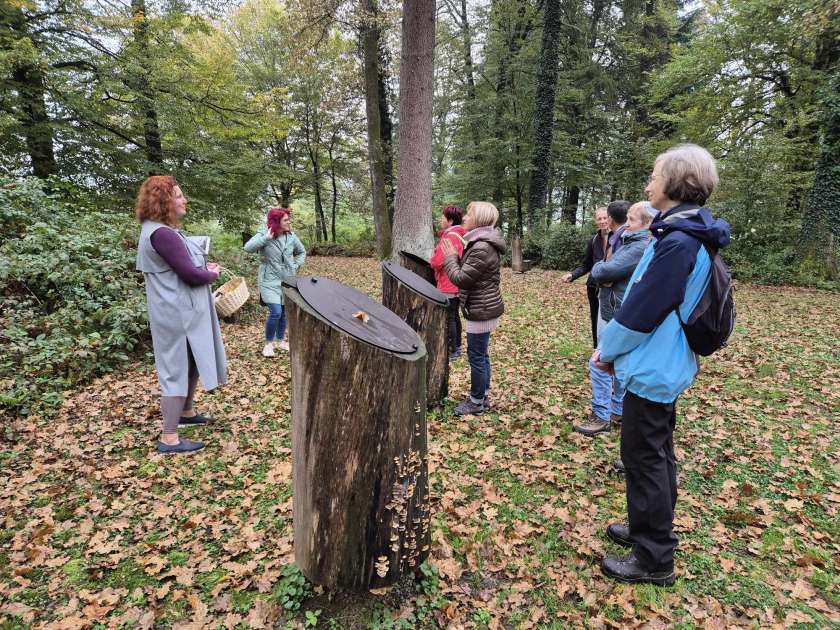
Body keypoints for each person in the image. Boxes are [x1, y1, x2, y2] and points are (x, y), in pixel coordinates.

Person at [596, 144, 730, 586]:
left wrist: (607, 350)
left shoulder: (679, 242)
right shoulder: (682, 234)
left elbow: (640, 310)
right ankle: (644, 529)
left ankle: (654, 558)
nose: (648, 183)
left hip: (655, 367)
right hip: (660, 363)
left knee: (645, 458)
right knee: (653, 454)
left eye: (654, 175)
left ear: (676, 182)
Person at [135, 176, 227, 454]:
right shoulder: (161, 233)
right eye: (178, 196)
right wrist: (211, 274)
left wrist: (202, 268)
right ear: (163, 202)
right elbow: (189, 275)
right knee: (175, 369)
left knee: (192, 361)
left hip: (181, 312)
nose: (184, 200)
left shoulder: (160, 230)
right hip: (176, 315)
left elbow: (181, 265)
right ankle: (170, 437)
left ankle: (186, 412)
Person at [574, 201, 655, 436]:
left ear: (647, 224)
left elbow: (602, 271)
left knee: (599, 362)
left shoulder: (638, 247)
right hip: (616, 309)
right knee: (616, 363)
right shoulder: (628, 242)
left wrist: (602, 267)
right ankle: (617, 409)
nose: (624, 224)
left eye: (631, 220)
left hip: (621, 313)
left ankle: (601, 417)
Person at [440, 201, 506, 416]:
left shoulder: (481, 247)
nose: (465, 218)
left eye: (469, 214)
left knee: (476, 355)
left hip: (481, 308)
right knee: (481, 354)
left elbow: (461, 278)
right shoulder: (480, 242)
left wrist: (450, 257)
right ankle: (482, 395)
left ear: (479, 220)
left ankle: (476, 401)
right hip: (483, 306)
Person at [244, 208, 306, 357]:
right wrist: (265, 238)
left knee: (284, 313)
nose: (289, 222)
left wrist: (296, 265)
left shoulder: (291, 237)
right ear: (277, 222)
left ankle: (280, 341)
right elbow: (247, 248)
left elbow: (302, 252)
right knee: (276, 312)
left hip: (287, 280)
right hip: (268, 281)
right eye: (286, 220)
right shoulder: (264, 233)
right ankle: (268, 344)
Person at [562, 207, 610, 348]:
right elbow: (586, 265)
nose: (602, 221)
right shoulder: (594, 240)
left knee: (610, 320)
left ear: (610, 218)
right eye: (599, 218)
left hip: (612, 288)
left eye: (605, 218)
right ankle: (597, 349)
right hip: (593, 287)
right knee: (595, 318)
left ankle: (609, 351)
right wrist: (572, 275)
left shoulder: (620, 238)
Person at [430, 205, 467, 361]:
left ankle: (453, 350)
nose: (440, 220)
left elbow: (438, 262)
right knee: (455, 315)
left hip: (448, 283)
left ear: (450, 221)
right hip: (459, 282)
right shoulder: (462, 235)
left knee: (450, 317)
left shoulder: (449, 237)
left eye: (443, 218)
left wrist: (432, 259)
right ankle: (457, 345)